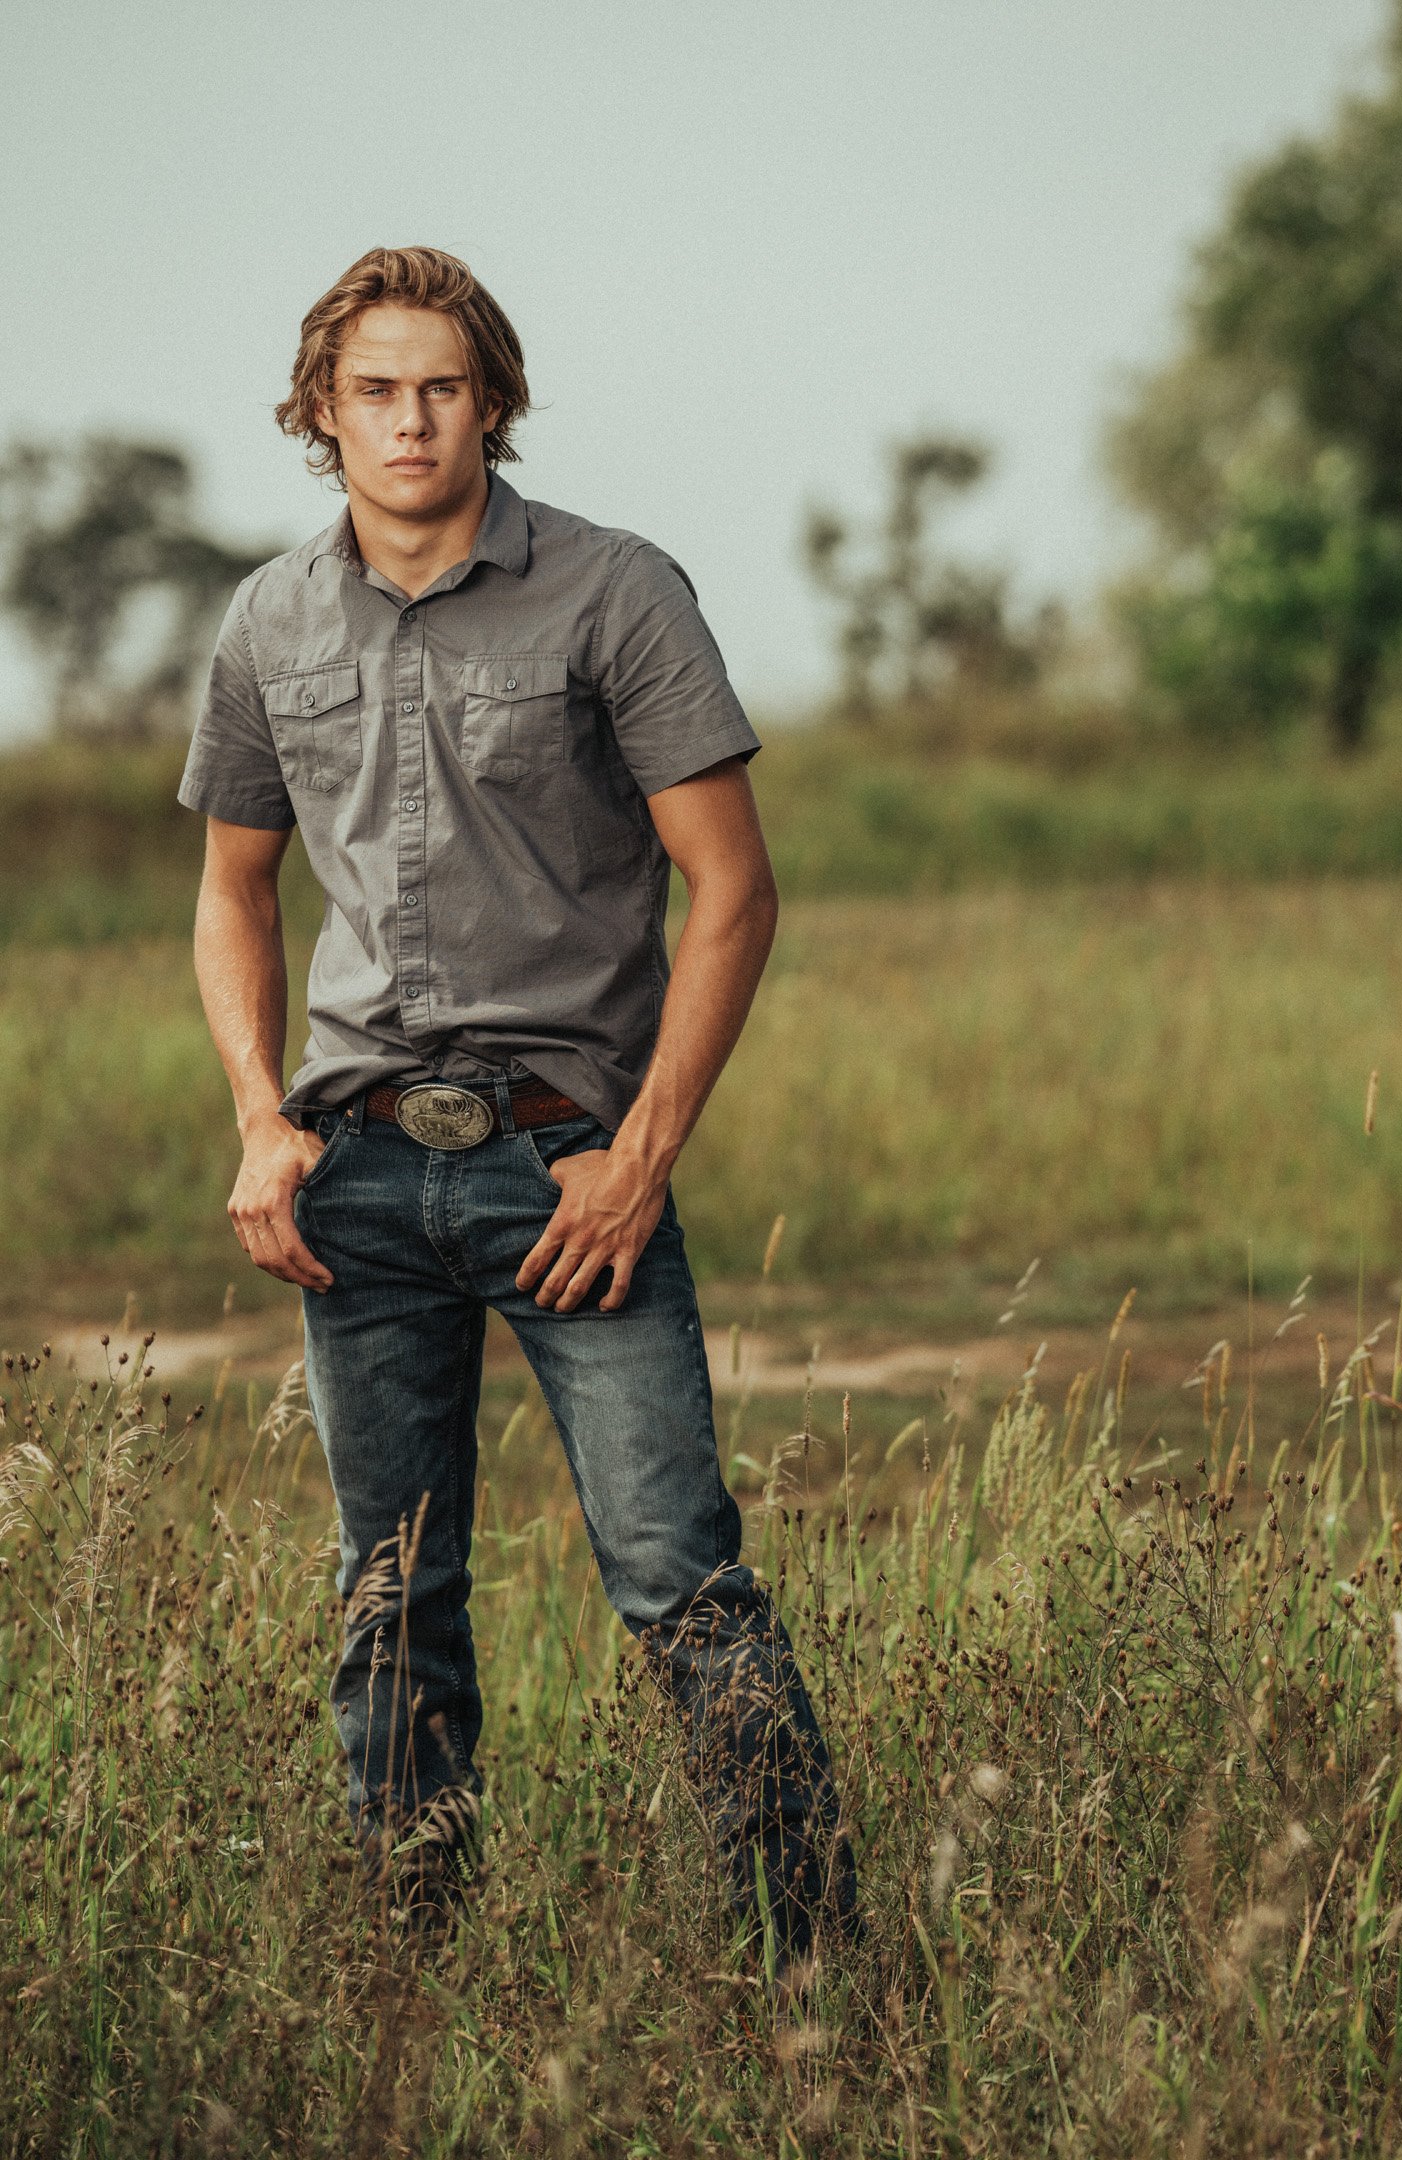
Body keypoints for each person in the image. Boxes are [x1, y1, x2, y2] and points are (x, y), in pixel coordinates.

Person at [177, 245, 859, 1982]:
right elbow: (233, 895)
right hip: (354, 1172)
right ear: (320, 415)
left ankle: (823, 1979)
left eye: (445, 387)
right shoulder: (266, 621)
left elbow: (735, 892)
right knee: (389, 1602)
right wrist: (264, 1124)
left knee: (678, 1581)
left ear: (495, 400)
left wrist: (640, 1159)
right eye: (376, 391)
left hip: (568, 1163)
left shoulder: (617, 595)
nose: (412, 421)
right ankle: (421, 1980)